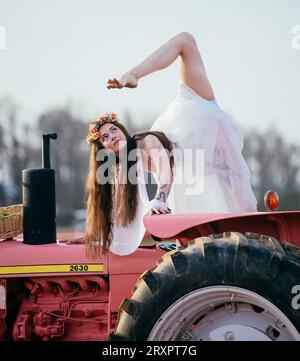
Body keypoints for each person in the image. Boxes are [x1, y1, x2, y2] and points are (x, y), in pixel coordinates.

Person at [84, 32, 257, 257]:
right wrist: (92, 234)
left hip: (198, 116)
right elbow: (110, 205)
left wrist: (161, 198)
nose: (112, 136)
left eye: (114, 129)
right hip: (208, 166)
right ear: (104, 150)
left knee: (185, 39)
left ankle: (133, 74)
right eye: (105, 138)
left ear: (123, 130)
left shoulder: (147, 142)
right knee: (235, 226)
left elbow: (165, 172)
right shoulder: (122, 170)